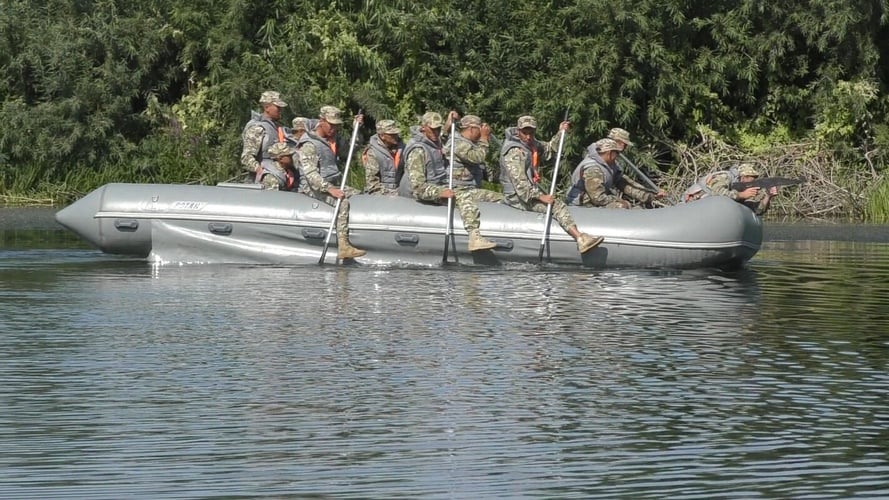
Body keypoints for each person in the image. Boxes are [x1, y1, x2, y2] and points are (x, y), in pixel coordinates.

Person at [398, 111, 504, 252]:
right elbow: (417, 187)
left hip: (440, 186)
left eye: (438, 128)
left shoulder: (435, 142)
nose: (436, 132)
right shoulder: (418, 150)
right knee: (464, 196)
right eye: (433, 128)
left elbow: (445, 134)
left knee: (494, 197)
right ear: (423, 128)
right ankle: (474, 237)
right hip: (428, 193)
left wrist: (449, 120)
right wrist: (440, 192)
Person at [499, 115, 604, 254]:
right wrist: (539, 196)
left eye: (531, 133)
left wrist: (561, 132)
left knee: (554, 201)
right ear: (518, 131)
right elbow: (520, 184)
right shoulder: (514, 152)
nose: (529, 136)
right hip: (517, 196)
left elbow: (549, 149)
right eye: (525, 133)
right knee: (556, 205)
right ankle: (580, 239)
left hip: (526, 192)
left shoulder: (531, 144)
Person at [295, 105, 366, 259]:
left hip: (333, 182)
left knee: (360, 195)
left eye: (337, 125)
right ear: (321, 121)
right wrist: (329, 189)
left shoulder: (333, 140)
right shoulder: (309, 144)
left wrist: (356, 130)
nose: (334, 129)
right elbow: (310, 174)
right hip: (313, 187)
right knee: (342, 203)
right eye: (331, 125)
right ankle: (343, 246)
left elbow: (350, 151)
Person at [566, 139, 659, 209]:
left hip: (595, 201)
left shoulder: (610, 165)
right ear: (610, 153)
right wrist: (619, 201)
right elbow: (597, 198)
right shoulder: (593, 169)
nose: (618, 156)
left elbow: (623, 183)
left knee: (630, 206)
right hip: (582, 204)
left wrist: (649, 196)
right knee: (621, 207)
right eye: (617, 153)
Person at [683, 163, 777, 215]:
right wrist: (741, 195)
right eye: (751, 181)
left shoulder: (740, 189)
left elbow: (756, 211)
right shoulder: (724, 177)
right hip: (690, 207)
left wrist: (768, 196)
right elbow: (718, 193)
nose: (751, 185)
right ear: (744, 177)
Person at [443, 114, 501, 192]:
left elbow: (483, 168)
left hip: (470, 188)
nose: (481, 132)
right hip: (458, 189)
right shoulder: (457, 142)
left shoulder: (471, 144)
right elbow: (477, 158)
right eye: (480, 129)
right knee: (500, 200)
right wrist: (484, 138)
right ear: (471, 129)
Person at [240, 91, 288, 182]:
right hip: (264, 183)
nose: (280, 110)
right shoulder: (258, 128)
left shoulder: (276, 128)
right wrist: (260, 171)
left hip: (278, 177)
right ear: (267, 107)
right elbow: (246, 158)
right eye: (277, 107)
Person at [363, 119, 404, 196]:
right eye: (391, 134)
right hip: (380, 195)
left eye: (396, 133)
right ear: (382, 136)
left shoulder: (403, 149)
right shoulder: (372, 152)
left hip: (401, 192)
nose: (395, 136)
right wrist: (391, 194)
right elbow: (372, 184)